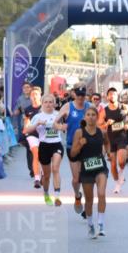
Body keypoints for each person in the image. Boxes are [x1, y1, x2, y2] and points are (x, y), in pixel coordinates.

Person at [70, 106, 109, 238]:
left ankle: (101, 224)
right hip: (86, 169)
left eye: (93, 115)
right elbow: (73, 154)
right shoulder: (79, 132)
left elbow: (107, 143)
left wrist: (108, 153)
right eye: (88, 114)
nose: (91, 117)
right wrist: (80, 144)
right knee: (89, 200)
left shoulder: (102, 132)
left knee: (101, 193)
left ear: (97, 117)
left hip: (100, 167)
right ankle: (90, 224)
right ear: (84, 117)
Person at [23, 93, 66, 206]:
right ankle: (46, 194)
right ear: (42, 104)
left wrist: (60, 127)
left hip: (56, 144)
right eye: (46, 102)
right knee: (46, 175)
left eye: (51, 102)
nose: (48, 104)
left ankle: (57, 196)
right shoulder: (38, 116)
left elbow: (64, 128)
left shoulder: (58, 115)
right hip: (44, 146)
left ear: (54, 104)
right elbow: (27, 130)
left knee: (55, 168)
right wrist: (37, 124)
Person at [58, 86, 90, 215]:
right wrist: (61, 126)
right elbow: (55, 122)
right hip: (72, 146)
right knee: (76, 179)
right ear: (74, 94)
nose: (81, 97)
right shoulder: (67, 107)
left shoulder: (89, 107)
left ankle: (88, 206)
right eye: (79, 94)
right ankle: (77, 195)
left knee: (87, 178)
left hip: (87, 145)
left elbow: (99, 123)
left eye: (83, 95)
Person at [101, 87, 128, 193]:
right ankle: (117, 183)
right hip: (111, 139)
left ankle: (121, 176)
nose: (112, 96)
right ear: (107, 96)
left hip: (122, 137)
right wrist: (106, 123)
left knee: (122, 161)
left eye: (114, 94)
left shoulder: (124, 107)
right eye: (110, 94)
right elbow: (99, 125)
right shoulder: (105, 111)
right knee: (113, 165)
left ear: (117, 95)